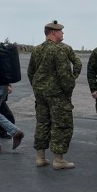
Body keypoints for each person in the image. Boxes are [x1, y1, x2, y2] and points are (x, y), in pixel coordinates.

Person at [27, 20, 83, 170]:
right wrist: (69, 89)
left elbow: (30, 72)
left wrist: (37, 87)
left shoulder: (37, 49)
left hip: (40, 93)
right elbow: (65, 75)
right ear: (53, 33)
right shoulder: (58, 50)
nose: (62, 33)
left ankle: (40, 157)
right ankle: (58, 160)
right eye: (60, 31)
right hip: (57, 94)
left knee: (42, 123)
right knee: (61, 125)